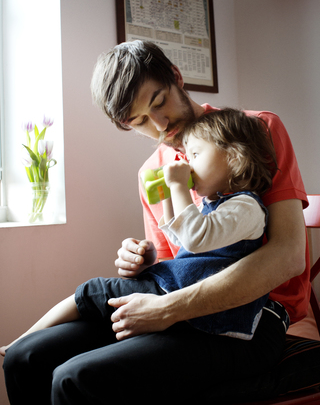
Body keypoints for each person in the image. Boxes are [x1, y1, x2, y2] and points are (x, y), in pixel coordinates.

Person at [2, 40, 308, 404]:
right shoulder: (153, 173)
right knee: (26, 358)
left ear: (176, 77)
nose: (160, 124)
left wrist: (169, 309)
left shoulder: (254, 130)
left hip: (254, 314)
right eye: (140, 120)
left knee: (75, 379)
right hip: (183, 302)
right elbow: (177, 263)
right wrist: (144, 260)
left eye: (159, 101)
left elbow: (289, 254)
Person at [1, 109, 279, 358]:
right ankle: (29, 344)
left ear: (232, 156)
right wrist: (168, 195)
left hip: (193, 300)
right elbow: (181, 240)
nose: (188, 164)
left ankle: (23, 341)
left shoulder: (247, 206)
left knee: (91, 291)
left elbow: (196, 238)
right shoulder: (217, 204)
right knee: (93, 304)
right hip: (182, 291)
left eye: (195, 154)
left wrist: (179, 186)